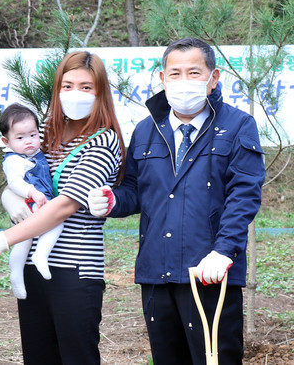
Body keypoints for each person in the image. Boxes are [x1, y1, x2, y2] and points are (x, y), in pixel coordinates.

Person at [87, 37, 265, 364]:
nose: (184, 82)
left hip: (210, 273)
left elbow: (244, 196)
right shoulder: (146, 130)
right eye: (175, 73)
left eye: (194, 73)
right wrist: (112, 200)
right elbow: (135, 190)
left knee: (216, 358)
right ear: (162, 79)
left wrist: (224, 251)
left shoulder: (238, 126)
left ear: (214, 78)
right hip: (157, 272)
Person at [0, 51, 125, 365]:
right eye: (68, 85)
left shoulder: (103, 142)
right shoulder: (45, 134)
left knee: (76, 358)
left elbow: (65, 206)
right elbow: (18, 172)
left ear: (101, 93)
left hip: (75, 270)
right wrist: (11, 198)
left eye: (87, 87)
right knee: (38, 356)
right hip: (33, 268)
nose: (76, 93)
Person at [0, 103, 58, 299]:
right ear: (6, 141)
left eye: (33, 135)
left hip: (37, 201)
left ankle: (29, 264)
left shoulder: (36, 154)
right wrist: (32, 192)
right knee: (52, 225)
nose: (29, 141)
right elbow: (14, 183)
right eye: (20, 138)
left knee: (27, 238)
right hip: (29, 203)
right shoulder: (13, 160)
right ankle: (33, 260)